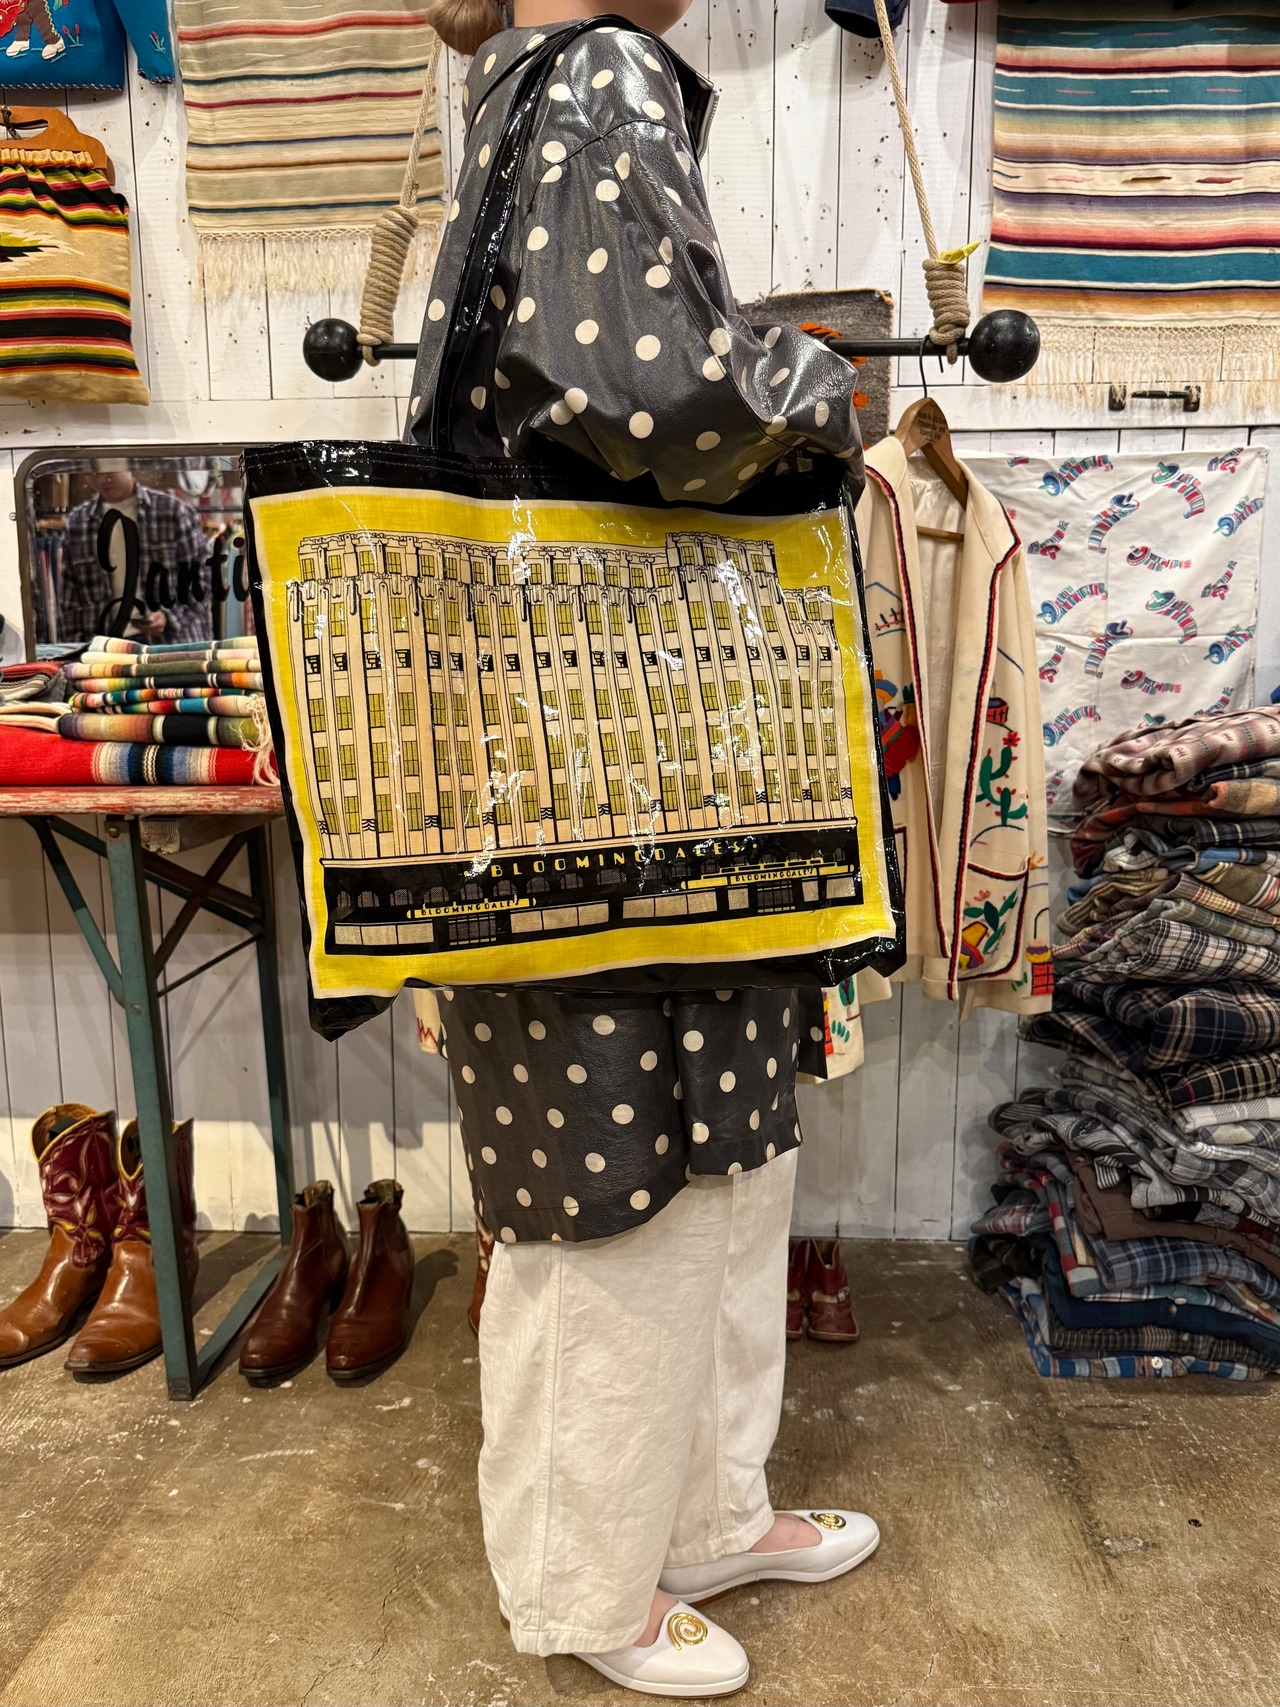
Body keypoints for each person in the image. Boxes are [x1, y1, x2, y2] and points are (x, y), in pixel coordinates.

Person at [405, 1, 879, 1694]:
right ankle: (586, 1582)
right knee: (611, 1182)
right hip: (606, 761)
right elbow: (662, 399)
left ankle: (704, 1511)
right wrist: (827, 382)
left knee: (713, 1151)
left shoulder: (545, 90)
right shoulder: (599, 71)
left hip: (634, 756)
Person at [57, 462, 212, 644]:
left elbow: (204, 577)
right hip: (107, 647)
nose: (102, 479)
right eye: (92, 473)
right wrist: (76, 647)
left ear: (128, 463)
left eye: (109, 469)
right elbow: (70, 598)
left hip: (173, 643)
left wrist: (169, 617)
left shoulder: (171, 511)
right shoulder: (78, 524)